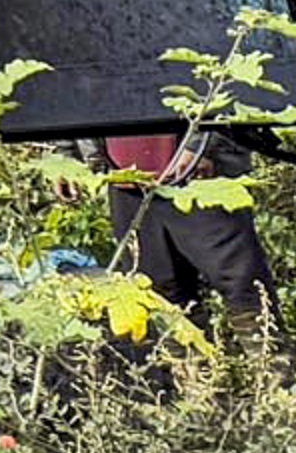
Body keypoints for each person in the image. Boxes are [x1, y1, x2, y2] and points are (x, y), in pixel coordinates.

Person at [100, 127, 281, 358]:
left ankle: (277, 382)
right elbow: (69, 93)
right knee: (159, 291)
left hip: (200, 169)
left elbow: (225, 95)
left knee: (241, 281)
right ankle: (197, 385)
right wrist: (65, 152)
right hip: (124, 176)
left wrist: (202, 147)